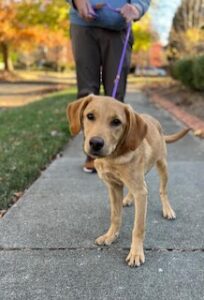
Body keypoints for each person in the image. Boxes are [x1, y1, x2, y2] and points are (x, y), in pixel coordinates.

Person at [67, 0, 151, 172]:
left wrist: (137, 7)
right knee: (86, 92)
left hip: (118, 27)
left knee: (116, 97)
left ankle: (114, 152)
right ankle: (92, 152)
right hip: (83, 25)